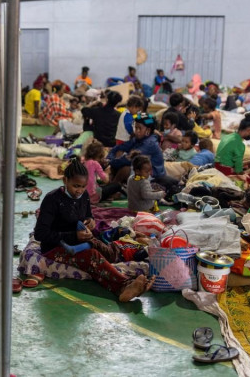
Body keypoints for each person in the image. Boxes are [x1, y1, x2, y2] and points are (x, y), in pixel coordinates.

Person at [34, 159, 153, 302]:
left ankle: (132, 282)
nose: (79, 190)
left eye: (83, 186)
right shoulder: (52, 199)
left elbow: (88, 215)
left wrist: (90, 221)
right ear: (65, 180)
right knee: (92, 256)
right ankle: (124, 286)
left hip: (79, 241)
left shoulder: (83, 196)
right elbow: (40, 234)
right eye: (75, 186)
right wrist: (74, 236)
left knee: (108, 251)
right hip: (55, 247)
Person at [108, 113, 179, 196]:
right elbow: (118, 148)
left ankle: (111, 191)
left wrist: (110, 161)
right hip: (141, 172)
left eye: (139, 128)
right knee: (118, 155)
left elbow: (129, 160)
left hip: (153, 176)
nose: (136, 131)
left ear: (148, 130)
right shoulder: (137, 139)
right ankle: (114, 188)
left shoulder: (150, 143)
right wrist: (109, 158)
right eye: (136, 128)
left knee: (125, 169)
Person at [214, 113, 250, 180]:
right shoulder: (239, 144)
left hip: (217, 168)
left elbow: (233, 162)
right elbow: (238, 171)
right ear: (249, 129)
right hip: (226, 173)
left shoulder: (227, 136)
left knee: (246, 168)